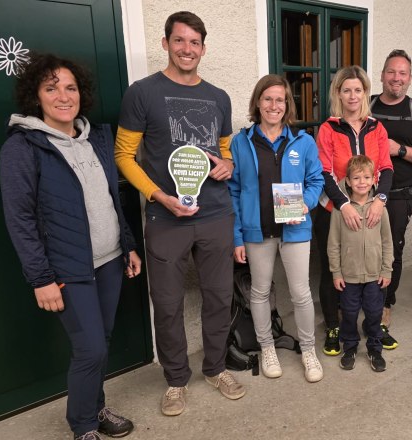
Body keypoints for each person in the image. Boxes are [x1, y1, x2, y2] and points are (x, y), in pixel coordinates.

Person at [0, 53, 142, 440]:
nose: (63, 96)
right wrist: (40, 278)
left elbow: (112, 197)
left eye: (70, 87)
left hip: (110, 260)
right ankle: (82, 427)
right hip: (66, 268)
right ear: (36, 96)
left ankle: (95, 408)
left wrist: (127, 244)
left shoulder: (96, 136)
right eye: (51, 88)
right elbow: (20, 220)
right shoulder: (22, 147)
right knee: (90, 349)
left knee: (102, 342)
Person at [114, 11, 244, 416]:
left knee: (220, 297)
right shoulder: (142, 93)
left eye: (194, 42)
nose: (187, 49)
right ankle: (175, 380)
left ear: (204, 48)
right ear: (166, 43)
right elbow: (123, 155)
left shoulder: (219, 97)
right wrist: (157, 195)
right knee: (167, 304)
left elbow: (224, 151)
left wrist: (229, 165)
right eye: (179, 41)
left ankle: (216, 368)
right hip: (166, 217)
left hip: (216, 214)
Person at [228, 74, 325, 382]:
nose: (273, 105)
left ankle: (309, 350)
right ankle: (267, 346)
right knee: (259, 292)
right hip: (257, 232)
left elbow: (316, 181)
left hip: (295, 230)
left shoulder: (303, 141)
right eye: (267, 98)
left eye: (280, 99)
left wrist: (304, 205)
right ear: (258, 102)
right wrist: (237, 236)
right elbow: (232, 190)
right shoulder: (241, 141)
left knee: (300, 293)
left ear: (287, 105)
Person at [315, 65, 393, 356]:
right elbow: (323, 172)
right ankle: (334, 327)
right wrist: (343, 203)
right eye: (346, 89)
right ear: (338, 93)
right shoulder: (328, 128)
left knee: (373, 265)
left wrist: (380, 200)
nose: (352, 95)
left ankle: (373, 327)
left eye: (358, 90)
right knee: (331, 268)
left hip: (370, 207)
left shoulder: (377, 127)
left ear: (365, 93)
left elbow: (386, 168)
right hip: (335, 208)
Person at [370, 49, 412, 349]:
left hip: (400, 196)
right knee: (361, 249)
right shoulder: (367, 104)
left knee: (390, 251)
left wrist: (399, 150)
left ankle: (385, 303)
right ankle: (361, 300)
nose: (396, 78)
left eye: (403, 73)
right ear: (383, 74)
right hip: (364, 192)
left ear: (409, 78)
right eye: (391, 72)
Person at [327, 155, 393, 372]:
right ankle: (350, 347)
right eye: (356, 178)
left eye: (366, 177)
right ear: (347, 181)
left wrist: (386, 270)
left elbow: (387, 242)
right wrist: (336, 273)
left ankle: (374, 348)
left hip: (375, 275)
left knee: (374, 313)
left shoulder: (379, 209)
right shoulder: (340, 210)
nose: (362, 182)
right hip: (349, 276)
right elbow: (333, 243)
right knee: (349, 312)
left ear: (374, 180)